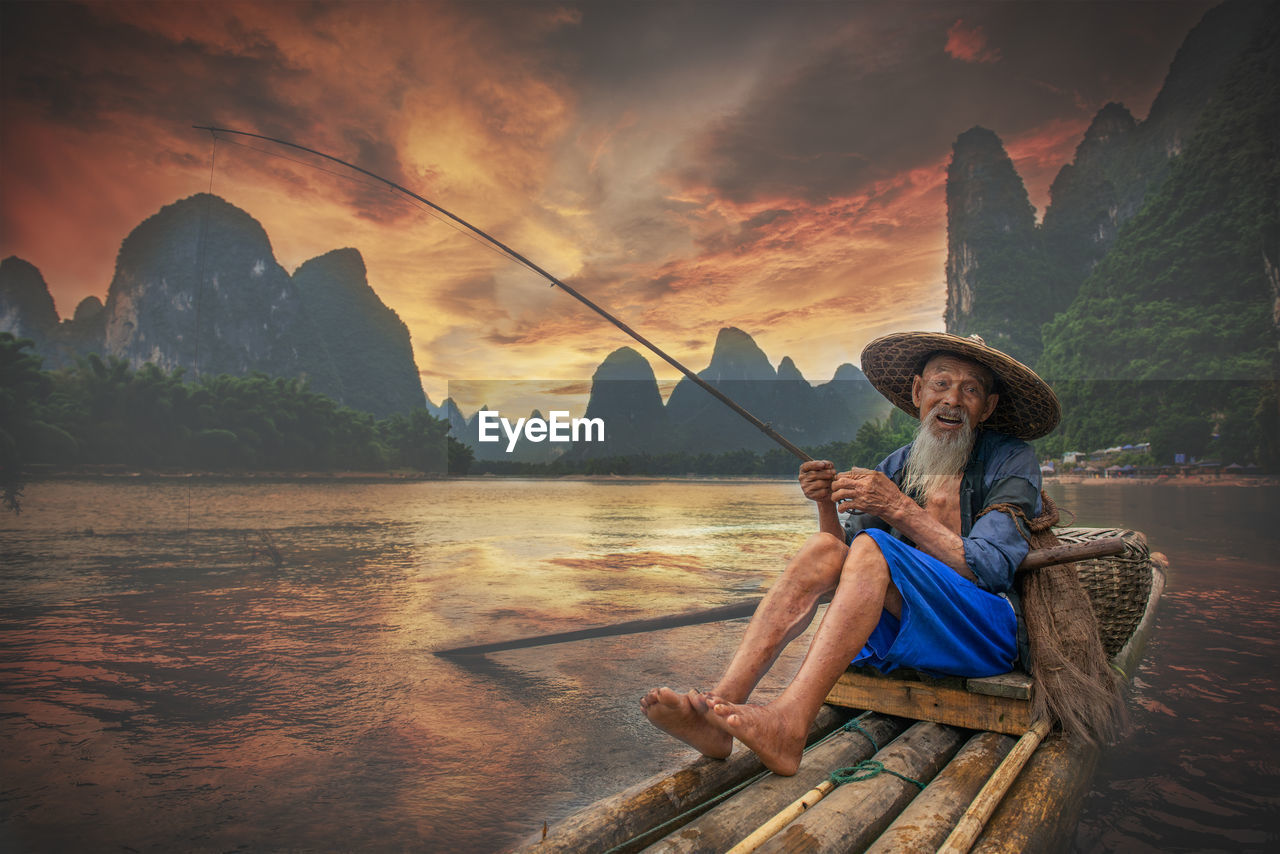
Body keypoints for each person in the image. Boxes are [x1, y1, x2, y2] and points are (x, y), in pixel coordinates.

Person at [640, 331, 1061, 776]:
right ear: (918, 392)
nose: (952, 400)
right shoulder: (899, 465)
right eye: (941, 384)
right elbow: (844, 561)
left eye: (970, 389)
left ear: (987, 407)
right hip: (910, 627)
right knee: (825, 547)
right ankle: (720, 707)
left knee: (874, 546)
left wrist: (898, 508)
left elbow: (993, 568)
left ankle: (790, 724)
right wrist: (825, 502)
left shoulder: (1011, 460)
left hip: (983, 632)